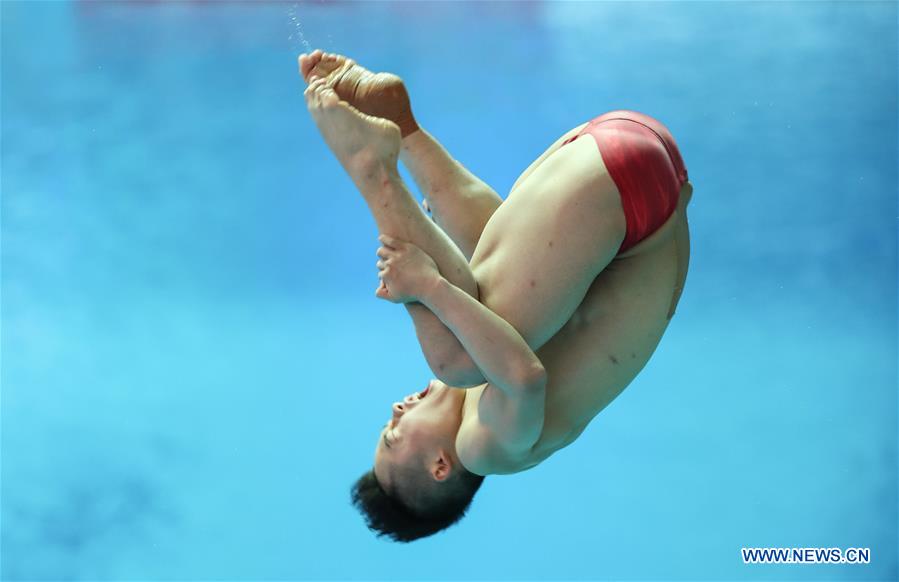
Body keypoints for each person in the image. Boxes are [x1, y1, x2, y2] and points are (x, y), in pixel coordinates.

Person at [298, 50, 693, 542]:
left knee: (476, 312)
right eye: (394, 436)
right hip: (625, 187)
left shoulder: (479, 398)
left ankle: (403, 128)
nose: (396, 409)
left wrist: (438, 285)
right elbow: (524, 378)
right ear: (440, 466)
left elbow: (527, 256)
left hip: (625, 176)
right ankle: (373, 169)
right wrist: (425, 285)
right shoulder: (489, 449)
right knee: (458, 357)